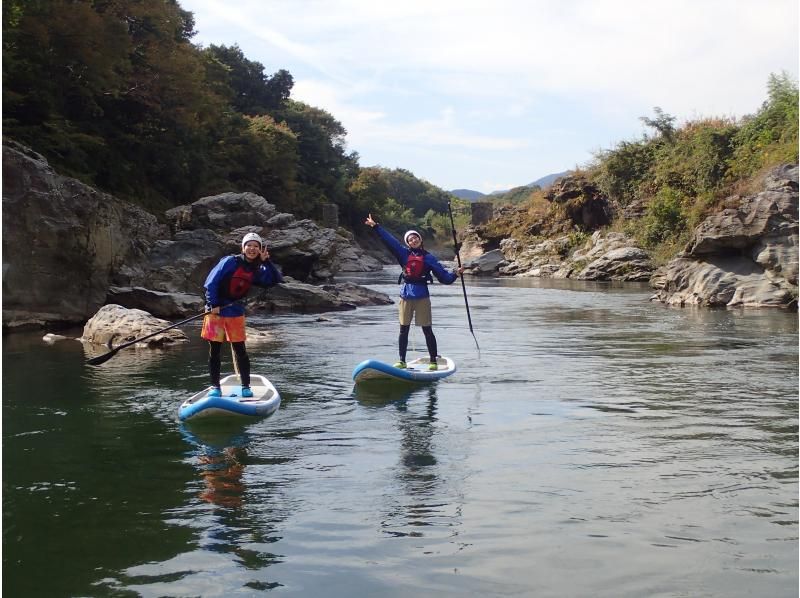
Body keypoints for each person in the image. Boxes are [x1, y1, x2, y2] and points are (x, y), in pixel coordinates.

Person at [365, 213, 464, 370]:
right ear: (408, 243)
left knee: (427, 329)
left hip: (422, 296)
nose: (414, 240)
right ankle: (402, 361)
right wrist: (376, 226)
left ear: (420, 240)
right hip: (405, 295)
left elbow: (444, 278)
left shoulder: (429, 258)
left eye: (416, 238)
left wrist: (456, 274)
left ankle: (433, 361)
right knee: (403, 329)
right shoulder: (403, 253)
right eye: (410, 239)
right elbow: (389, 241)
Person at [202, 232, 282, 397]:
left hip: (235, 311)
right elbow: (211, 282)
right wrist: (213, 304)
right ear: (243, 248)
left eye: (256, 246)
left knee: (240, 350)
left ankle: (246, 386)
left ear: (259, 250)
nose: (252, 249)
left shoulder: (257, 269)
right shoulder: (230, 261)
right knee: (215, 350)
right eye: (249, 245)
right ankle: (215, 387)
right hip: (216, 310)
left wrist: (267, 261)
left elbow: (274, 280)